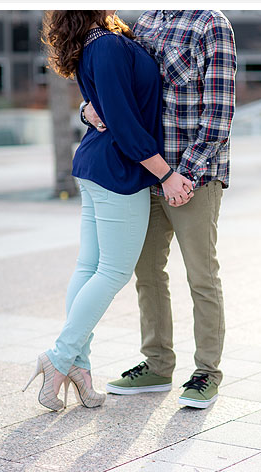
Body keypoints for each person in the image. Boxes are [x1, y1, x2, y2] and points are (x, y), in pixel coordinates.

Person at [23, 10, 195, 411]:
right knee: (113, 271)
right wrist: (166, 174)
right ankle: (59, 357)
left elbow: (104, 108)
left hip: (95, 166)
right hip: (118, 170)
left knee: (90, 267)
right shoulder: (108, 45)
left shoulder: (95, 42)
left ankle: (78, 368)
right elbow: (124, 123)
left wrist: (87, 110)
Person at [83, 10, 237, 409]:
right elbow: (118, 89)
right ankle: (156, 364)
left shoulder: (211, 24)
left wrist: (182, 176)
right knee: (146, 273)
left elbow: (219, 115)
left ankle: (207, 372)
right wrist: (87, 109)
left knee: (202, 276)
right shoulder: (145, 22)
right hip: (146, 173)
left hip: (193, 179)